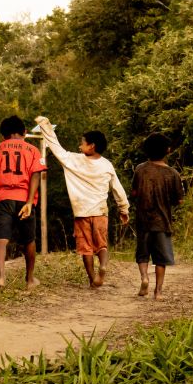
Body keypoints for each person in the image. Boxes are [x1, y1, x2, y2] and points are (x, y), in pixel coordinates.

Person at [34, 116, 129, 288]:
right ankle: (104, 266)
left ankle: (93, 280)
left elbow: (55, 147)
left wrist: (45, 126)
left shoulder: (73, 160)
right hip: (100, 212)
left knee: (85, 248)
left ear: (91, 146)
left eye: (82, 143)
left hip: (81, 213)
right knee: (102, 244)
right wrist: (124, 208)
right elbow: (117, 188)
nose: (79, 146)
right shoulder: (107, 165)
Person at [0, 115, 46, 290]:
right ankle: (30, 279)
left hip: (3, 198)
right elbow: (35, 175)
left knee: (1, 239)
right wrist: (29, 201)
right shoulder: (32, 150)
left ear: (3, 135)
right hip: (24, 199)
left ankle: (1, 278)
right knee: (29, 240)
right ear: (24, 132)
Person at [131, 132, 184, 300]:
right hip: (162, 222)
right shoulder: (172, 174)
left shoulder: (140, 169)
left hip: (143, 220)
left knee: (142, 254)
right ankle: (158, 291)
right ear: (167, 150)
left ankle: (144, 277)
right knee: (161, 258)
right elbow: (179, 200)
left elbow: (134, 192)